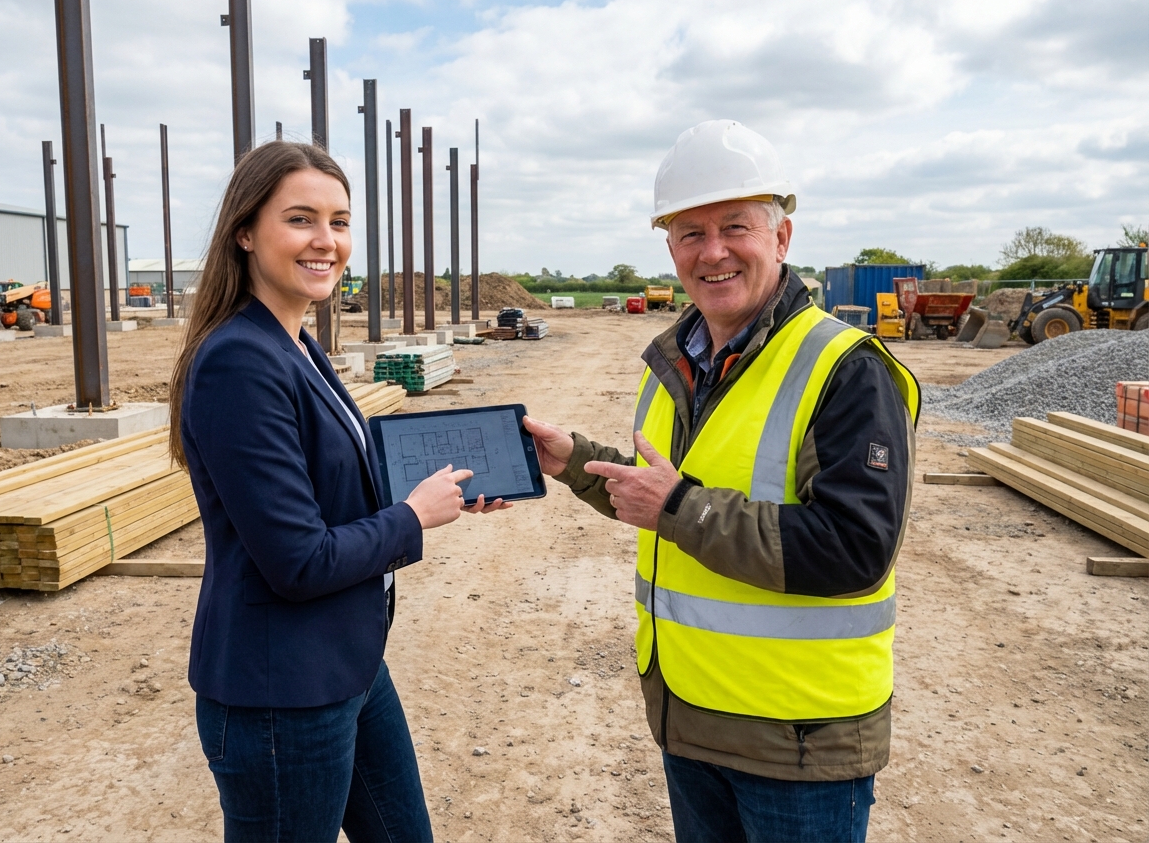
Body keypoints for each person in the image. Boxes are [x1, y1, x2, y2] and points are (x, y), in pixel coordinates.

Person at [524, 120, 919, 843]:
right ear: (669, 247)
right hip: (693, 718)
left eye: (735, 227)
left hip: (797, 739)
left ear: (782, 238)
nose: (712, 252)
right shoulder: (681, 359)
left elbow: (855, 549)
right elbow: (670, 490)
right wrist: (573, 461)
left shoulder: (846, 369)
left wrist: (677, 507)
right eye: (688, 233)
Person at [168, 140, 507, 842]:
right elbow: (298, 560)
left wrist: (452, 476)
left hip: (345, 662)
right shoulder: (238, 361)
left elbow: (335, 479)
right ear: (244, 231)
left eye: (340, 221)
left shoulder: (296, 343)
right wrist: (413, 518)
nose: (327, 241)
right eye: (300, 219)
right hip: (280, 693)